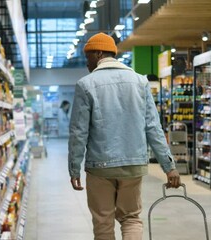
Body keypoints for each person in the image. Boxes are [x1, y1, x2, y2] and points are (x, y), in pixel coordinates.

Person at [68, 32, 181, 240]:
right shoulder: (140, 82)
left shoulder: (86, 84)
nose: (86, 63)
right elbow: (153, 127)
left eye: (88, 57)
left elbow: (78, 132)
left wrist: (74, 168)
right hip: (133, 164)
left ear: (99, 53)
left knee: (103, 222)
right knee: (131, 218)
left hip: (100, 167)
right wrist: (169, 166)